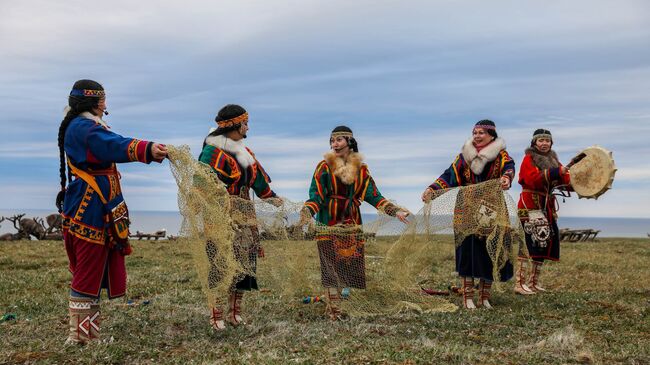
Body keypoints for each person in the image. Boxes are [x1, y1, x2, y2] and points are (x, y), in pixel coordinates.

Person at [57, 79, 167, 344]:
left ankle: (87, 334)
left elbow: (111, 142)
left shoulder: (83, 126)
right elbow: (113, 145)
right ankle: (81, 337)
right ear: (94, 103)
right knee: (88, 268)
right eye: (103, 99)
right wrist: (147, 149)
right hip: (91, 206)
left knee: (91, 267)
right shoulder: (85, 129)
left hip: (93, 202)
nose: (106, 104)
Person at [301, 126, 410, 320]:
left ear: (349, 142)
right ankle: (334, 311)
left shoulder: (361, 169)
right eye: (332, 141)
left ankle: (337, 303)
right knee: (330, 266)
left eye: (339, 140)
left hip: (351, 222)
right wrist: (308, 211)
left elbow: (373, 195)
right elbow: (316, 194)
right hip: (328, 221)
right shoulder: (324, 166)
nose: (335, 144)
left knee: (347, 265)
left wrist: (395, 211)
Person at [198, 104, 280, 330]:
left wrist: (271, 197)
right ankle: (216, 316)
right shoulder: (212, 152)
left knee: (244, 262)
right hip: (220, 214)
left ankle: (235, 313)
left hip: (245, 215)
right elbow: (201, 183)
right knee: (221, 262)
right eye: (245, 122)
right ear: (235, 124)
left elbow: (259, 182)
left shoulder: (245, 152)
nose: (248, 127)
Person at [422, 119, 515, 309]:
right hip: (466, 207)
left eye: (481, 133)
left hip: (492, 207)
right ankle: (467, 297)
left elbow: (509, 169)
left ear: (492, 136)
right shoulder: (464, 157)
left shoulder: (501, 156)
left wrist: (506, 178)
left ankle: (484, 296)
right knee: (467, 249)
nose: (477, 136)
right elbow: (449, 176)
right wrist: (432, 189)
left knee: (491, 250)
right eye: (475, 133)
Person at [516, 129, 571, 294]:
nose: (544, 143)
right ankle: (519, 284)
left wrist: (580, 182)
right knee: (528, 243)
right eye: (541, 140)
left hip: (546, 206)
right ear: (534, 143)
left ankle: (533, 282)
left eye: (547, 141)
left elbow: (565, 179)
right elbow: (532, 179)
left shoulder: (554, 160)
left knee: (543, 242)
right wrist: (556, 173)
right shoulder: (529, 158)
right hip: (529, 204)